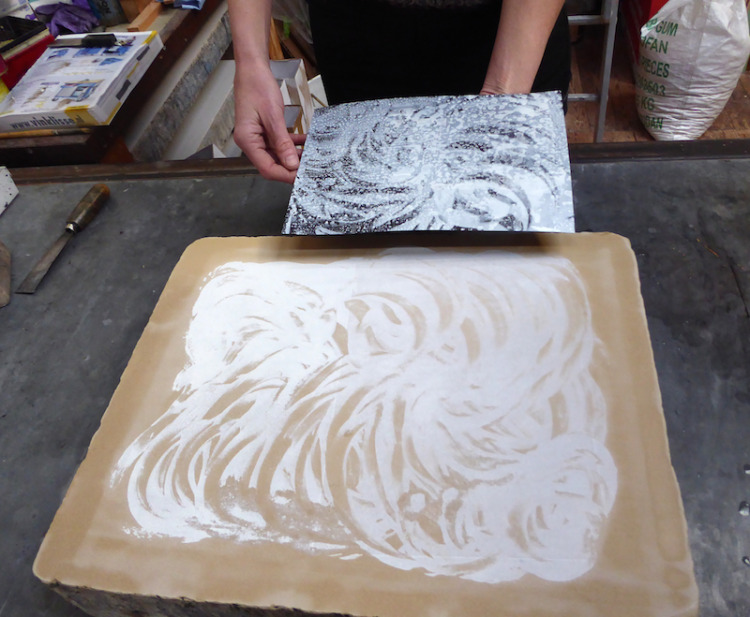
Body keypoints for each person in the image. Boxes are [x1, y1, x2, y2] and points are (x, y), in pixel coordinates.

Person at [228, 0, 570, 184]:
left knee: (504, 246)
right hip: (358, 38)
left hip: (511, 34)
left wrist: (501, 95)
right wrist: (252, 63)